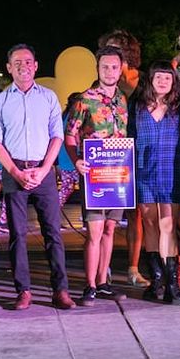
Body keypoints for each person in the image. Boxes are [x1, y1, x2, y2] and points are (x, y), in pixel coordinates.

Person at [0, 44, 75, 310]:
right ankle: (23, 291)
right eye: (17, 62)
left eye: (28, 61)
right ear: (9, 68)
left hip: (44, 170)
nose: (23, 66)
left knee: (53, 233)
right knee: (17, 234)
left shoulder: (49, 97)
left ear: (36, 66)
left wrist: (44, 168)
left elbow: (57, 136)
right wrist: (15, 172)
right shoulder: (0, 101)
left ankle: (60, 290)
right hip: (14, 171)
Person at [66, 46, 130, 306]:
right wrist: (76, 161)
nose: (110, 71)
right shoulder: (85, 99)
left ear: (121, 68)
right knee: (94, 231)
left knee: (110, 230)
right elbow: (70, 136)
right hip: (94, 176)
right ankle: (90, 285)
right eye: (105, 66)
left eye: (114, 66)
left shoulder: (123, 99)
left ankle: (104, 282)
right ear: (97, 68)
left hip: (118, 176)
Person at [127, 61, 180, 304]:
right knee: (150, 223)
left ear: (174, 81)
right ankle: (156, 281)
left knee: (167, 224)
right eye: (158, 77)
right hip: (144, 173)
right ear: (150, 80)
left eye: (168, 77)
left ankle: (172, 283)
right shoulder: (136, 106)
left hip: (172, 171)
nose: (163, 81)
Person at [99, 29, 147, 287]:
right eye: (107, 48)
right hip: (110, 157)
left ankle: (133, 267)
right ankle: (102, 266)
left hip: (138, 152)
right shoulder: (102, 83)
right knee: (104, 215)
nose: (111, 53)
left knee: (136, 214)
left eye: (116, 48)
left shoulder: (143, 81)